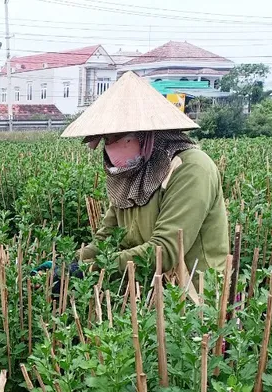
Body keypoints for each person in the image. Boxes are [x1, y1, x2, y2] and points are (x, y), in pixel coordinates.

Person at [63, 71, 230, 278]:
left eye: (114, 137)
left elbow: (165, 250)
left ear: (144, 134)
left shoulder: (191, 169)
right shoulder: (132, 171)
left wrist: (88, 269)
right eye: (106, 139)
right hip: (145, 292)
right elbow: (107, 240)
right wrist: (67, 262)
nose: (109, 146)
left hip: (190, 298)